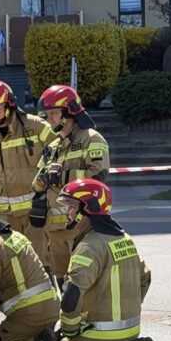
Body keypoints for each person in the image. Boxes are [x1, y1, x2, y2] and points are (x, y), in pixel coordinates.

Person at [48, 178, 163, 341]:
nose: (67, 213)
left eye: (72, 207)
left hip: (101, 334)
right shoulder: (124, 238)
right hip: (131, 329)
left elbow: (72, 294)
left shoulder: (89, 247)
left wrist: (70, 329)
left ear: (88, 209)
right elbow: (145, 277)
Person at [29, 84, 109, 286]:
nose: (50, 119)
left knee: (83, 281)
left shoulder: (91, 139)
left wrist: (62, 177)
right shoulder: (53, 146)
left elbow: (98, 177)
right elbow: (37, 183)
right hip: (54, 230)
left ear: (69, 112)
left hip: (80, 227)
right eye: (47, 115)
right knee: (62, 282)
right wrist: (41, 181)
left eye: (54, 113)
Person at [0, 79, 54, 269]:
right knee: (12, 267)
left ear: (9, 104)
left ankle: (47, 298)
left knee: (39, 263)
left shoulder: (35, 126)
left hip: (35, 212)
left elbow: (59, 152)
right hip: (6, 217)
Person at [0, 216, 59, 341]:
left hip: (29, 314)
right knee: (22, 339)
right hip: (51, 307)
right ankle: (48, 340)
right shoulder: (16, 236)